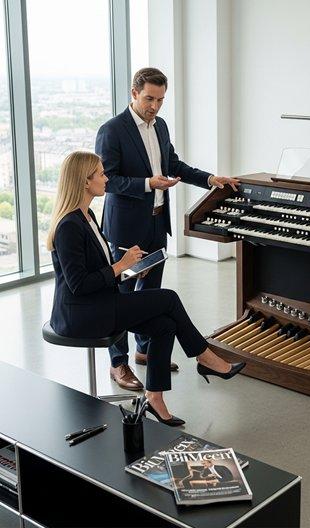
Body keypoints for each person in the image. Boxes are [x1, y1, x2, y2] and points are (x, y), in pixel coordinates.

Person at [46, 151, 245, 426]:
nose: (107, 179)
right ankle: (205, 356)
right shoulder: (69, 225)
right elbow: (79, 285)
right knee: (168, 299)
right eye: (101, 174)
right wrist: (121, 265)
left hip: (99, 303)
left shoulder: (87, 215)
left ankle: (155, 397)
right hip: (81, 315)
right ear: (84, 181)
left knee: (165, 325)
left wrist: (130, 269)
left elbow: (97, 271)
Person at [95, 67, 239, 390]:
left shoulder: (160, 126)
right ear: (134, 93)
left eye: (160, 100)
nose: (155, 106)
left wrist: (210, 179)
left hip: (157, 222)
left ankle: (145, 350)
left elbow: (173, 165)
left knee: (150, 292)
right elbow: (109, 181)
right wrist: (148, 183)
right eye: (149, 99)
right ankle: (118, 364)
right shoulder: (112, 130)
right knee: (120, 297)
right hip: (125, 228)